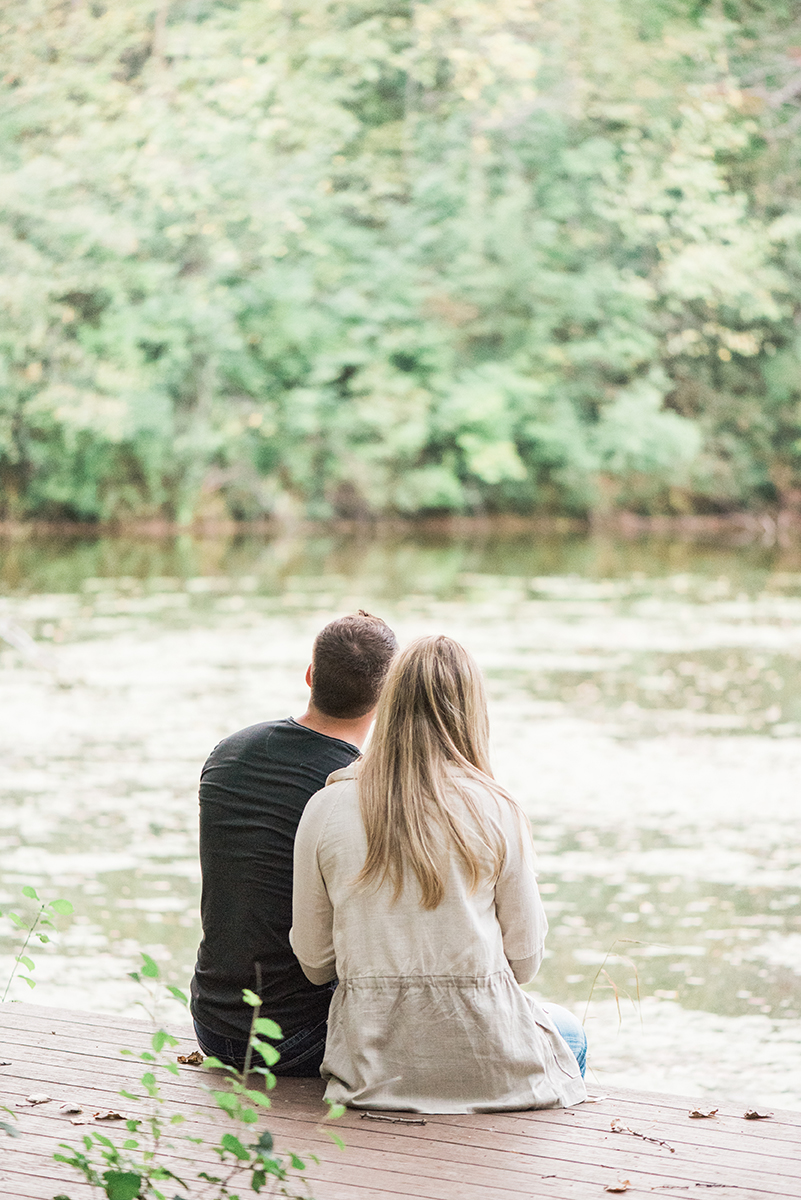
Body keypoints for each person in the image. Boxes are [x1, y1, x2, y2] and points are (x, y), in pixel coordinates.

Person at [290, 634, 588, 1113]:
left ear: (387, 704)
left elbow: (314, 961)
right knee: (570, 1033)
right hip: (493, 1071)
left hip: (371, 1076)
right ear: (473, 712)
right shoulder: (498, 809)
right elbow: (526, 961)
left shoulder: (326, 808)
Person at [190, 610, 398, 1074]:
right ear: (387, 698)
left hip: (212, 1022)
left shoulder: (228, 752)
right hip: (296, 1036)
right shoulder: (356, 791)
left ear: (309, 675)